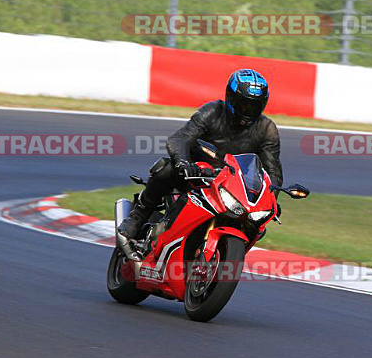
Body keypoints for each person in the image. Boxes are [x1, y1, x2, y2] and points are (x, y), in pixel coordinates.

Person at [117, 68, 283, 241]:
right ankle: (137, 218)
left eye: (254, 106)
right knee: (165, 169)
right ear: (231, 98)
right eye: (244, 105)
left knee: (256, 225)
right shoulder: (212, 112)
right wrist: (183, 163)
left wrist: (271, 198)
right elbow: (179, 139)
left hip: (234, 186)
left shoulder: (266, 129)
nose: (248, 111)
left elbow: (273, 170)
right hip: (196, 174)